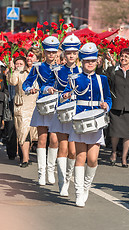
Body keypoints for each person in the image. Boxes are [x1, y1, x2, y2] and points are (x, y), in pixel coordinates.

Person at [62, 42, 112, 207]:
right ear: (81, 62)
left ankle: (86, 187)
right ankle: (78, 193)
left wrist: (107, 105)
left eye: (92, 61)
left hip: (96, 121)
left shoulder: (102, 79)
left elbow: (109, 98)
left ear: (97, 61)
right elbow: (64, 95)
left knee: (92, 159)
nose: (90, 64)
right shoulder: (75, 78)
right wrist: (67, 95)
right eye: (86, 61)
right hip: (80, 121)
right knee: (80, 157)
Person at [42, 34, 81, 196]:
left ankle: (68, 177)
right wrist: (49, 90)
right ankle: (62, 183)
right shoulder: (58, 71)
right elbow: (47, 84)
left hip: (77, 115)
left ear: (78, 54)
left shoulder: (83, 71)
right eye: (68, 53)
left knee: (73, 152)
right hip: (62, 112)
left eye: (74, 52)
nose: (71, 55)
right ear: (64, 54)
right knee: (63, 148)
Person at [22, 36, 59, 185]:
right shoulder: (38, 67)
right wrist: (30, 89)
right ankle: (41, 172)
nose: (51, 54)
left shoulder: (61, 68)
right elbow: (27, 83)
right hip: (43, 105)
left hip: (56, 105)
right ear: (44, 52)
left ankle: (51, 170)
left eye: (54, 52)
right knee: (42, 139)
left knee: (54, 139)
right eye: (48, 52)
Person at [106, 48, 129, 167]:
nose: (123, 58)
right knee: (115, 132)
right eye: (122, 56)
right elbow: (107, 86)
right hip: (116, 106)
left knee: (128, 134)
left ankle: (124, 158)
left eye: (126, 57)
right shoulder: (112, 71)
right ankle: (113, 152)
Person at [7, 53, 40, 167]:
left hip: (36, 105)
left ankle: (31, 154)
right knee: (23, 132)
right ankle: (25, 159)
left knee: (33, 134)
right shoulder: (19, 71)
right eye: (28, 56)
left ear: (37, 59)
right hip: (22, 106)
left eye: (32, 56)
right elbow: (12, 82)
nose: (29, 58)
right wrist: (11, 70)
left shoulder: (40, 71)